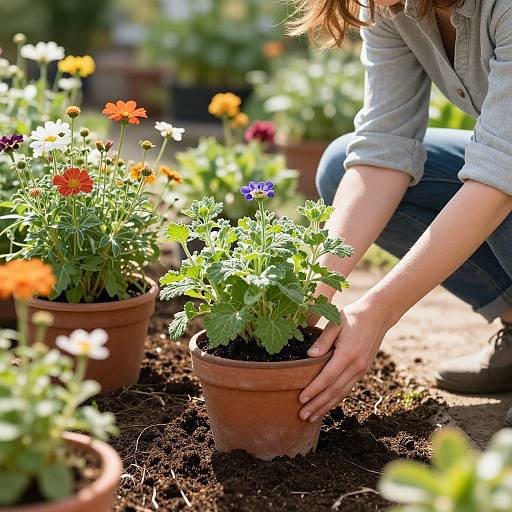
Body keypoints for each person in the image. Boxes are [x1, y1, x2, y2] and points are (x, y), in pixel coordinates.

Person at [290, 0, 512, 426]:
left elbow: (499, 177)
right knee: (342, 167)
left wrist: (378, 311)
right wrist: (313, 292)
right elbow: (383, 149)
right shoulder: (391, 6)